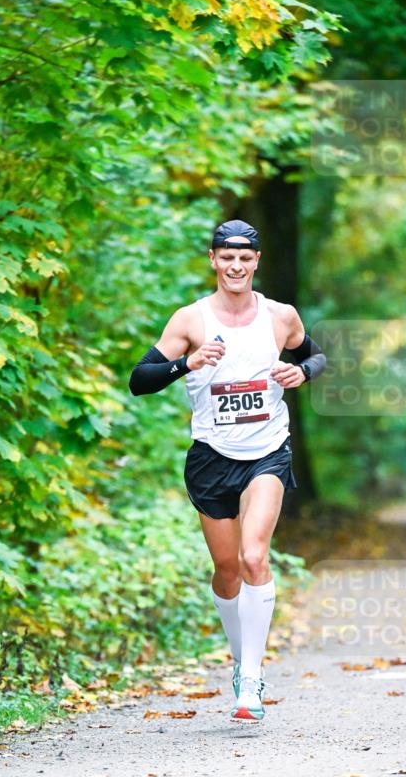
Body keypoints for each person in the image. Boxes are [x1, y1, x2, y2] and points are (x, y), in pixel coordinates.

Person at [129, 220, 326, 722]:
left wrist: (301, 371)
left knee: (255, 555)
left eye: (245, 258)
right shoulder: (190, 320)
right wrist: (187, 365)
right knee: (227, 570)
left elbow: (316, 355)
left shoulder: (280, 317)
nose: (236, 266)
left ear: (256, 262)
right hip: (212, 456)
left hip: (267, 451)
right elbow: (140, 380)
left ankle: (252, 679)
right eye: (226, 257)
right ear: (213, 261)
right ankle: (240, 661)